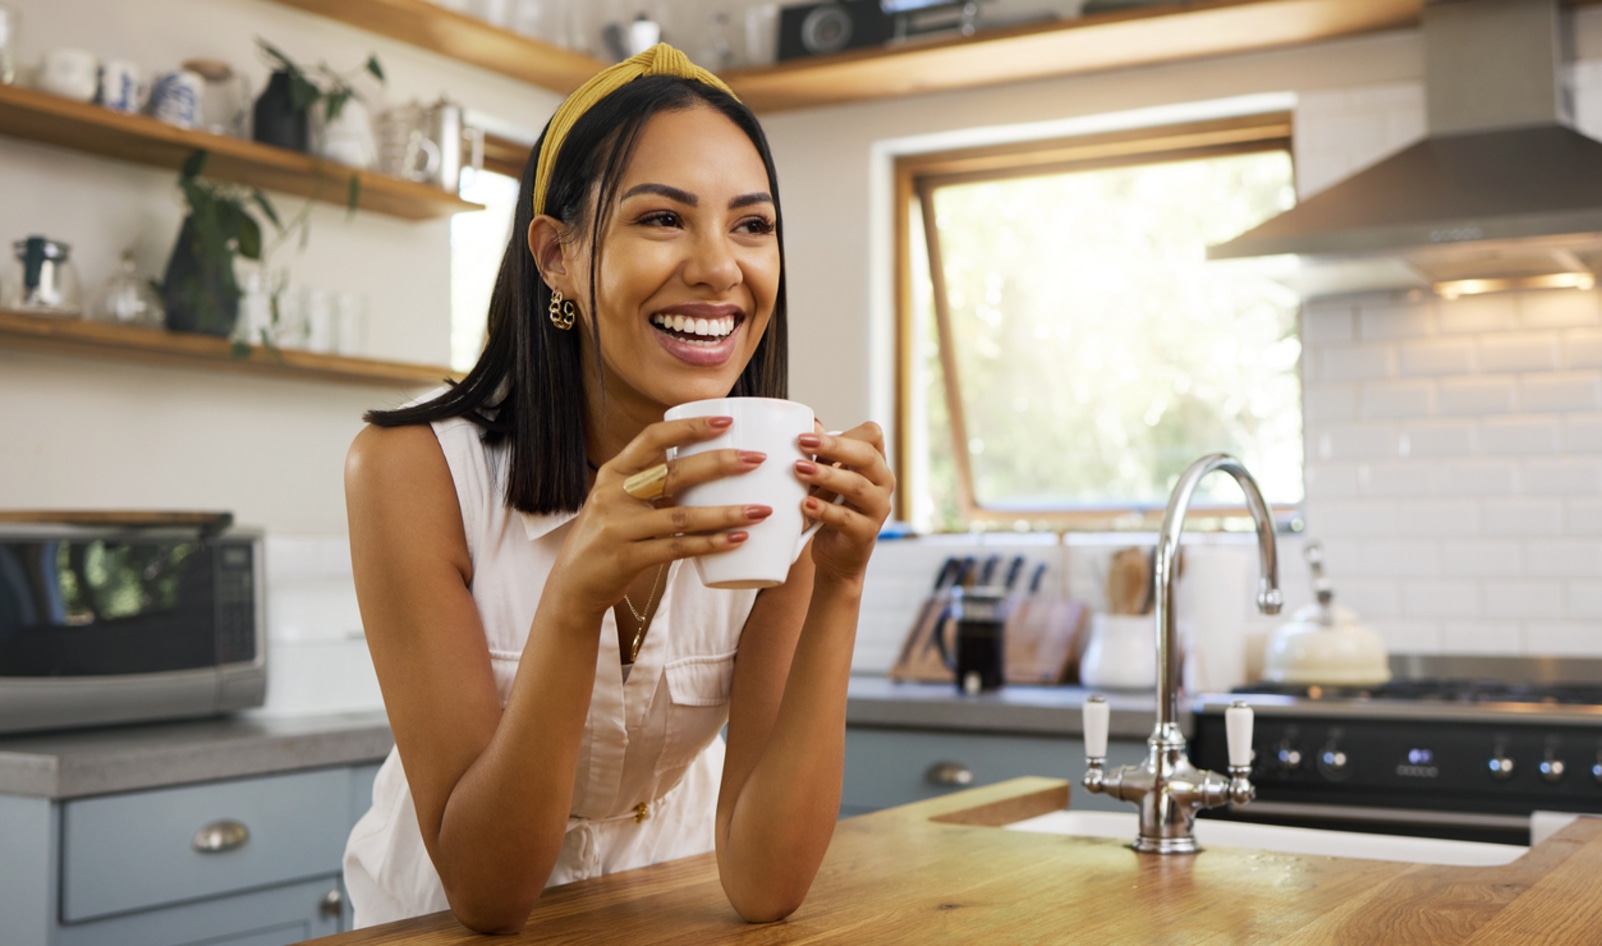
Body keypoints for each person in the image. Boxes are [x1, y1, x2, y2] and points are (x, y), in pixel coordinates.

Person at [340, 45, 894, 934]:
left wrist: (839, 582)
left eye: (752, 226)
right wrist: (574, 599)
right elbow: (487, 895)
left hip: (658, 910)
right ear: (557, 256)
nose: (721, 268)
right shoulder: (410, 472)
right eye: (665, 219)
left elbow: (764, 884)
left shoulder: (776, 483)